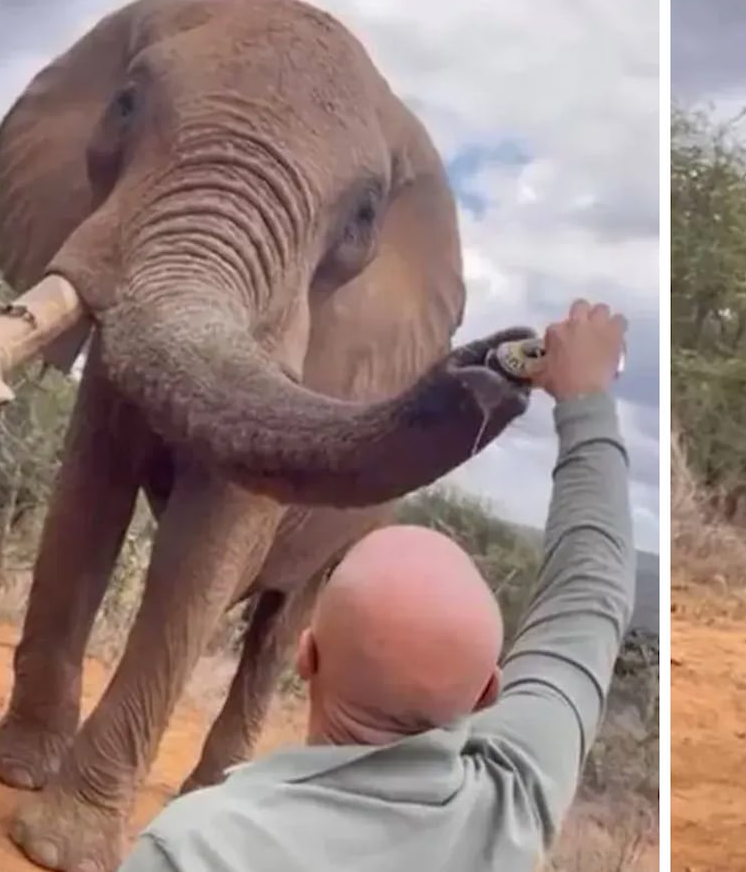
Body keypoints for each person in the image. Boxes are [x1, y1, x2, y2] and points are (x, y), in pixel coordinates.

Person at [116, 299, 636, 872]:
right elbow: (590, 594)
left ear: (306, 654)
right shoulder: (511, 803)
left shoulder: (195, 848)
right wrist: (587, 402)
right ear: (489, 693)